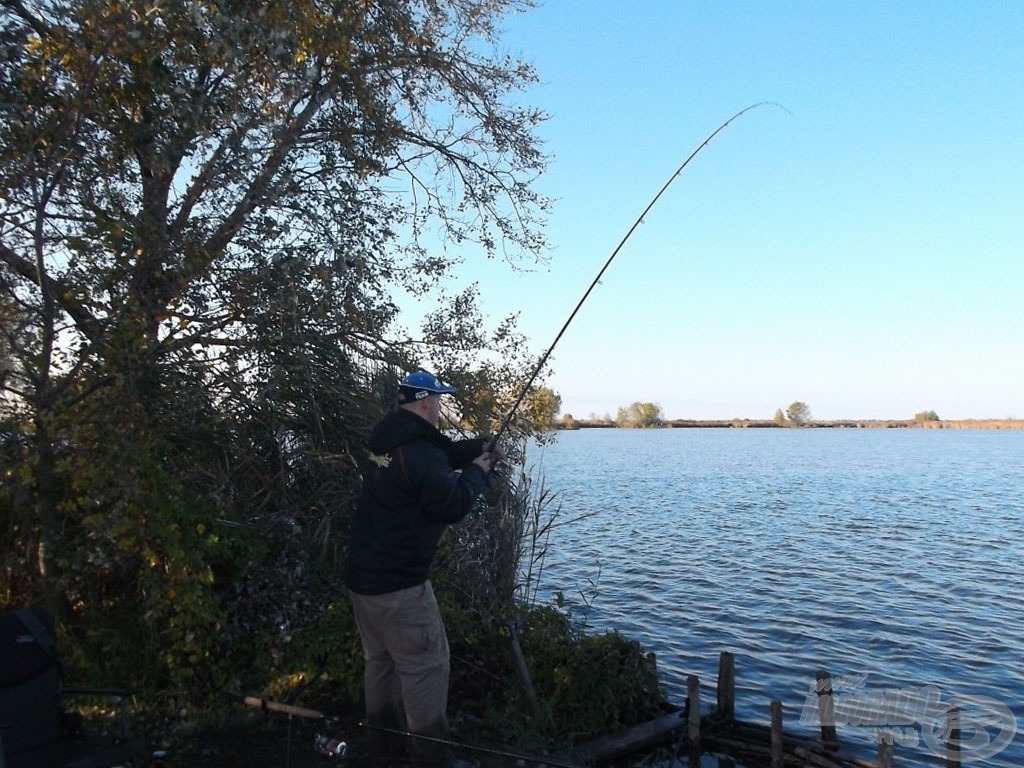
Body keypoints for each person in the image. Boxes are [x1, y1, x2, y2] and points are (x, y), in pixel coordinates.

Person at [345, 370, 501, 767]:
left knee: (380, 664)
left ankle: (384, 751)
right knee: (426, 668)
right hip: (400, 587)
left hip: (364, 580)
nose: (440, 407)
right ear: (427, 402)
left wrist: (477, 448)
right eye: (439, 400)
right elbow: (451, 504)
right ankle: (431, 758)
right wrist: (478, 473)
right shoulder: (417, 451)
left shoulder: (387, 440)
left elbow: (438, 457)